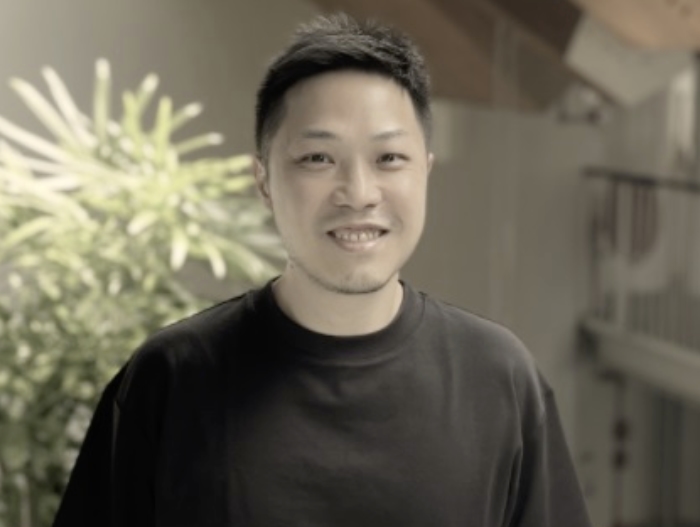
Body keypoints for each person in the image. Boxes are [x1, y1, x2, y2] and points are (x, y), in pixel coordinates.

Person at [53, 13, 592, 527]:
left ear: (425, 171)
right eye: (318, 158)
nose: (359, 193)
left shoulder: (499, 379)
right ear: (263, 180)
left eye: (389, 159)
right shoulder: (170, 379)